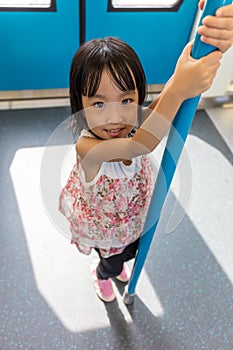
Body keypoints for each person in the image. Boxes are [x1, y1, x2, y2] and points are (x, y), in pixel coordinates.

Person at [59, 2, 233, 303]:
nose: (114, 117)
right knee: (112, 262)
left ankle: (115, 267)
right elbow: (139, 145)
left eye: (127, 100)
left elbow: (154, 110)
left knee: (131, 251)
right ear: (80, 105)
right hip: (107, 227)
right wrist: (179, 89)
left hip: (134, 217)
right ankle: (101, 274)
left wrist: (180, 78)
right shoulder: (87, 146)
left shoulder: (130, 119)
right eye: (99, 104)